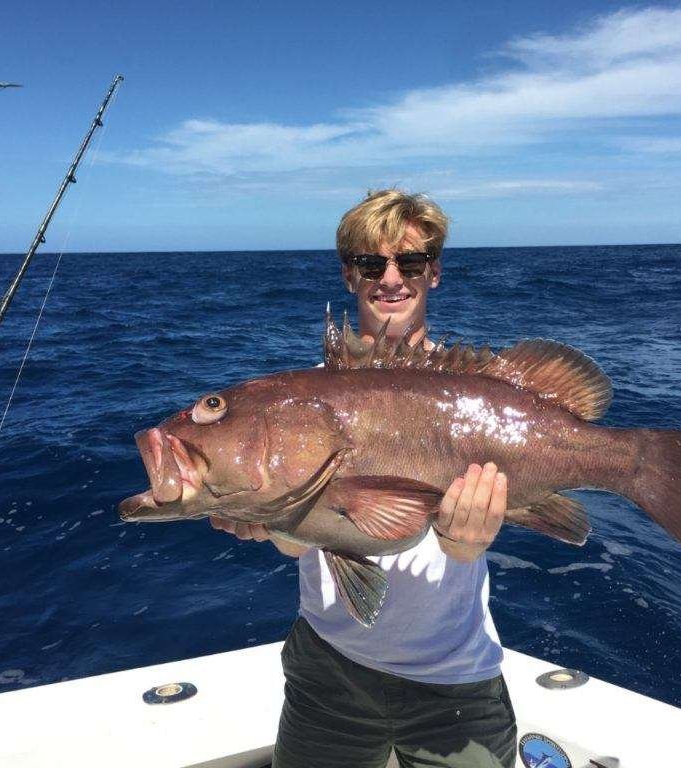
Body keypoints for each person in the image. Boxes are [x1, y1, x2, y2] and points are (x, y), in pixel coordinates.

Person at [210, 189, 517, 768]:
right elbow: (298, 538)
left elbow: (465, 547)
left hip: (455, 678)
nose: (391, 279)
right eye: (371, 264)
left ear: (434, 273)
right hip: (329, 670)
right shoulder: (300, 401)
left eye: (412, 263)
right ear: (349, 275)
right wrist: (266, 519)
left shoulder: (476, 391)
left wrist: (465, 544)